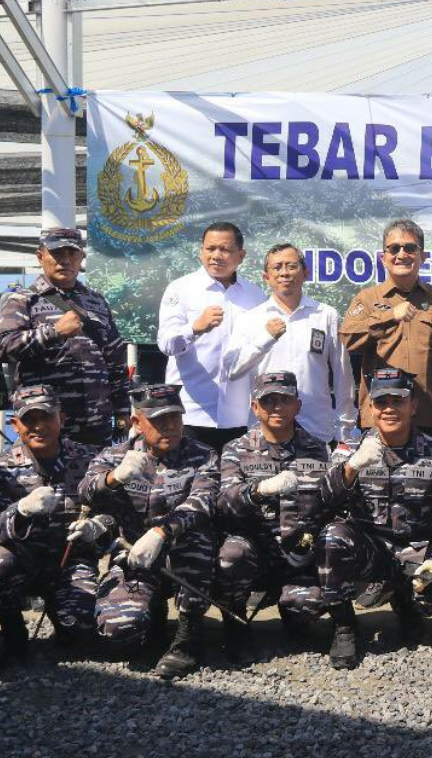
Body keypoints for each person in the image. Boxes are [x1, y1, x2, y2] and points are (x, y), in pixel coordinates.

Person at [316, 368, 432, 669]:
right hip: (371, 551)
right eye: (381, 402)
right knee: (331, 537)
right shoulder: (350, 450)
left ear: (412, 406)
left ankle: (407, 603)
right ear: (370, 408)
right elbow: (324, 500)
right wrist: (351, 468)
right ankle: (344, 626)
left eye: (398, 401)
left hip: (417, 550)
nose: (389, 409)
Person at [79, 384, 220, 680]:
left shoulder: (202, 456)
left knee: (197, 541)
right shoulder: (116, 455)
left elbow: (202, 502)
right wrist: (113, 478)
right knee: (117, 628)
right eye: (158, 420)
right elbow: (86, 493)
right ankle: (152, 615)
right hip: (133, 555)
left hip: (180, 554)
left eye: (175, 417)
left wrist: (162, 532)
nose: (169, 426)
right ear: (137, 423)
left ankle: (187, 639)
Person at [214, 371, 332, 664]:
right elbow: (225, 504)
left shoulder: (318, 450)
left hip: (298, 557)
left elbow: (328, 505)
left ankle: (292, 611)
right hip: (256, 552)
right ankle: (235, 622)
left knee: (307, 607)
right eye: (268, 401)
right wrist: (257, 491)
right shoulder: (236, 450)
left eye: (285, 400)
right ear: (255, 407)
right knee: (231, 553)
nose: (277, 407)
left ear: (298, 406)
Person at [0, 227, 130, 447]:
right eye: (57, 253)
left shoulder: (96, 301)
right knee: (43, 481)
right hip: (45, 423)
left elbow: (115, 357)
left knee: (96, 479)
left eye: (72, 254)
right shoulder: (22, 299)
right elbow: (4, 346)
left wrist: (122, 409)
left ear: (82, 258)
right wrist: (53, 332)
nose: (66, 261)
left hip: (95, 422)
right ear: (40, 256)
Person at [0, 385, 100, 660]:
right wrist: (19, 510)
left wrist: (97, 526)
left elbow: (114, 512)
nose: (39, 426)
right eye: (29, 420)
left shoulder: (91, 459)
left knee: (81, 627)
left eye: (47, 417)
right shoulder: (3, 467)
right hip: (22, 561)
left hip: (71, 562)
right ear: (14, 424)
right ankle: (11, 625)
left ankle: (63, 616)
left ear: (62, 419)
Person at [224, 243, 357, 444]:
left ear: (305, 273)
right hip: (266, 431)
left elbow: (343, 377)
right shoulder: (250, 319)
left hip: (317, 430)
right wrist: (265, 338)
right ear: (266, 277)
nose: (284, 273)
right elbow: (232, 369)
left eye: (291, 266)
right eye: (277, 267)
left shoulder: (326, 315)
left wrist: (345, 431)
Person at [341, 219, 432, 436]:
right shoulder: (366, 299)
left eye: (410, 248)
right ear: (383, 258)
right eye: (394, 248)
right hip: (382, 417)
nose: (402, 254)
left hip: (428, 416)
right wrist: (388, 316)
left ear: (423, 256)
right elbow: (348, 339)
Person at [157, 222, 267, 452]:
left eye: (225, 249)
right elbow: (166, 344)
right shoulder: (181, 289)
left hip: (239, 417)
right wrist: (194, 329)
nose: (216, 255)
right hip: (190, 414)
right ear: (201, 252)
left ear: (241, 255)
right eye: (210, 248)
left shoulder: (256, 296)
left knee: (233, 486)